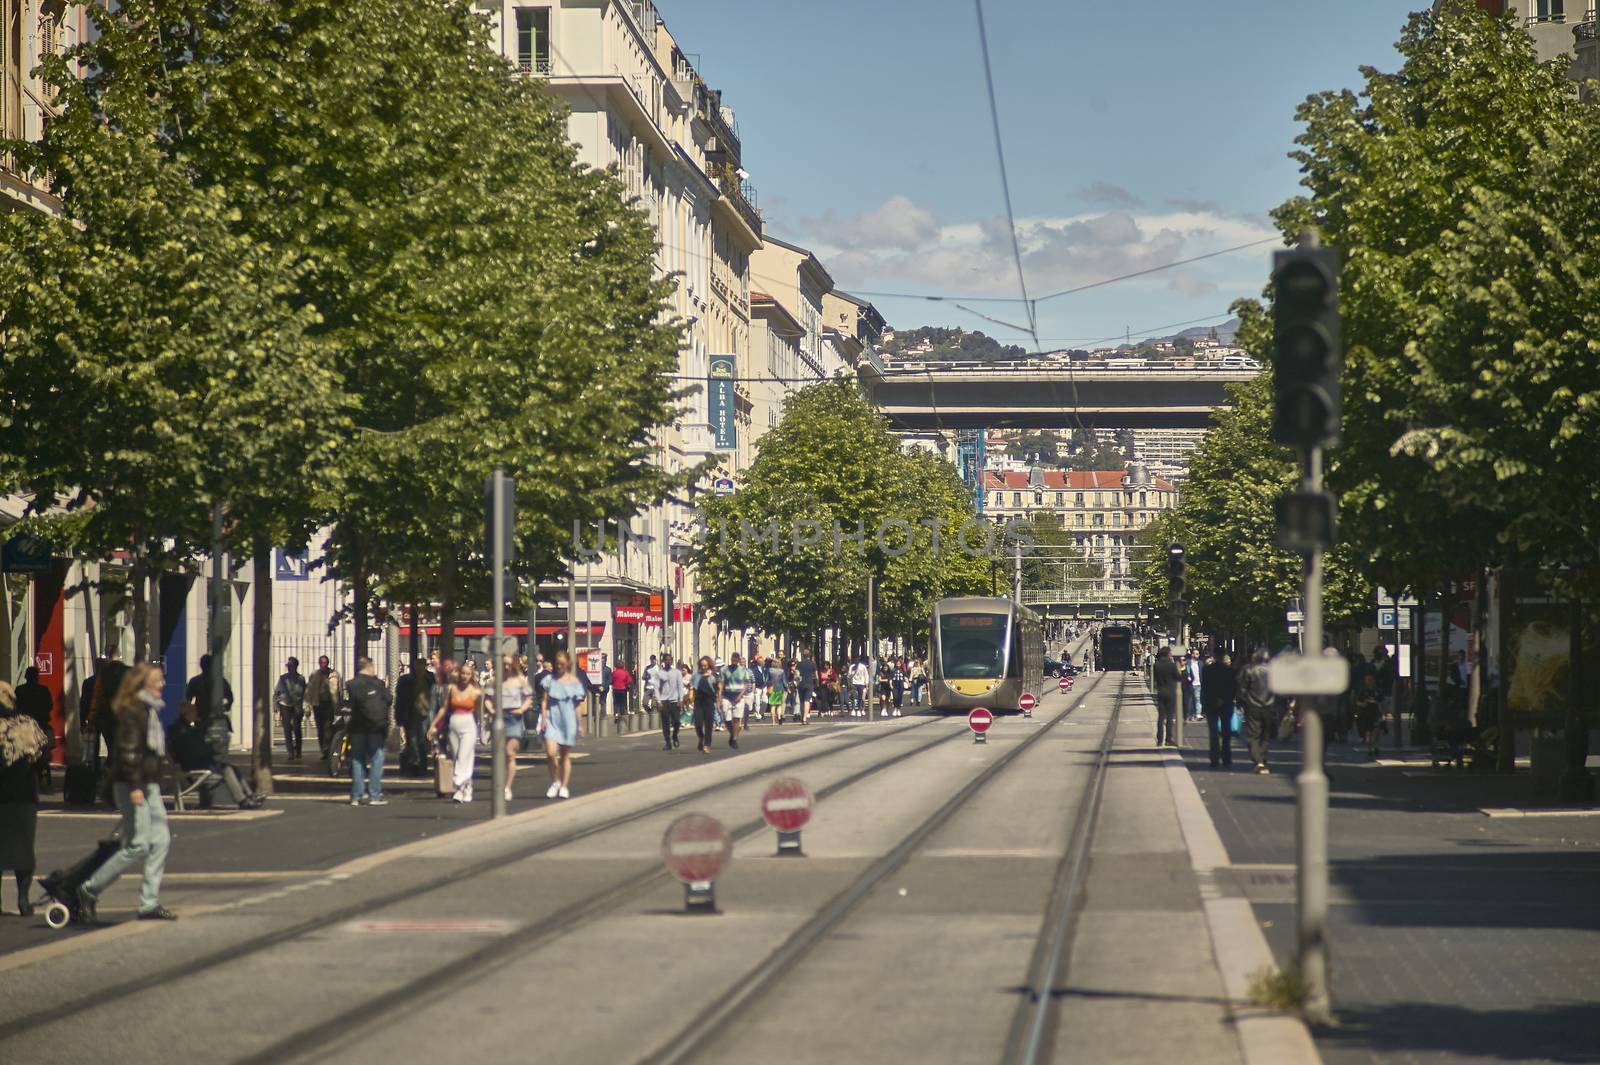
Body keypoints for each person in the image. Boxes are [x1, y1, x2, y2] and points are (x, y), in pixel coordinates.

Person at [79, 663, 177, 922]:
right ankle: (88, 890)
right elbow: (128, 752)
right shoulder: (133, 712)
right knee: (138, 845)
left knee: (161, 841)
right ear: (142, 685)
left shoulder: (149, 711)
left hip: (149, 785)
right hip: (133, 785)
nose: (162, 685)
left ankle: (149, 903)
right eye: (157, 681)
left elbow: (151, 751)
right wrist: (135, 787)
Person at [1, 681, 50, 916]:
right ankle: (23, 899)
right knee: (23, 850)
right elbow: (43, 754)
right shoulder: (28, 725)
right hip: (24, 796)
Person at [166, 700, 264, 808]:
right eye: (194, 711)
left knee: (230, 767)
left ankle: (249, 796)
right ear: (187, 713)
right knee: (226, 768)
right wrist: (209, 750)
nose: (196, 714)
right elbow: (191, 751)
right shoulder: (181, 730)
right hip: (191, 765)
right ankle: (242, 800)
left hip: (195, 762)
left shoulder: (187, 728)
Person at [429, 663, 481, 803]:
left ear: (471, 676)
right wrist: (433, 724)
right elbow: (444, 708)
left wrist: (482, 730)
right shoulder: (452, 689)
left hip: (469, 724)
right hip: (454, 724)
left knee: (463, 756)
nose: (464, 676)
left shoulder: (475, 692)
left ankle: (458, 785)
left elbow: (479, 712)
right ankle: (466, 787)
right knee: (458, 755)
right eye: (462, 673)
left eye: (467, 674)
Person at [537, 650, 586, 798]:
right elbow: (544, 700)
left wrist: (580, 724)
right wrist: (544, 718)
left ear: (568, 664)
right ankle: (555, 782)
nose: (559, 666)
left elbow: (577, 705)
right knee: (551, 754)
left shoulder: (574, 682)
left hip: (568, 719)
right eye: (557, 664)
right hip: (552, 718)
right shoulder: (549, 680)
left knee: (565, 755)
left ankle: (564, 786)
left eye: (562, 664)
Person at [345, 656, 392, 807]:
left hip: (358, 727)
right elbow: (389, 700)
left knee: (357, 760)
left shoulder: (351, 684)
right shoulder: (378, 684)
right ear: (370, 667)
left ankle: (356, 796)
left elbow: (349, 704)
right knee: (377, 759)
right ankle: (374, 795)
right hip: (375, 728)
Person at [498, 655, 533, 801]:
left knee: (510, 753)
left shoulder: (519, 680)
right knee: (500, 755)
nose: (506, 667)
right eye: (504, 664)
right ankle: (500, 785)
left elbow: (529, 697)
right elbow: (488, 698)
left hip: (514, 718)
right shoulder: (498, 680)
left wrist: (521, 709)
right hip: (500, 718)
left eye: (508, 664)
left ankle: (507, 787)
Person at [1238, 649, 1275, 774]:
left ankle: (1259, 761)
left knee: (1253, 735)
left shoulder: (1249, 670)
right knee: (1266, 735)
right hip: (1269, 706)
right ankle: (1261, 758)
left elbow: (1242, 688)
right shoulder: (1273, 671)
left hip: (1253, 706)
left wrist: (1241, 702)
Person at [1201, 649, 1238, 768]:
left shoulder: (1207, 670)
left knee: (1213, 733)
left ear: (1215, 656)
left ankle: (1214, 758)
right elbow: (1233, 688)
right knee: (1226, 733)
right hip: (1226, 704)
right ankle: (1226, 758)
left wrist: (1206, 702)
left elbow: (1205, 687)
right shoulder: (1230, 670)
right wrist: (1227, 699)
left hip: (1211, 704)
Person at [395, 659, 432, 775]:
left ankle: (421, 766)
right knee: (412, 741)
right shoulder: (405, 680)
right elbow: (400, 699)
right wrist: (399, 718)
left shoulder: (431, 679)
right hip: (410, 715)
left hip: (425, 715)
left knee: (423, 742)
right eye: (417, 666)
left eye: (422, 666)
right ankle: (412, 766)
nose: (419, 668)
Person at [305, 655, 345, 755]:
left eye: (325, 662)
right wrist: (307, 706)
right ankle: (323, 749)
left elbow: (340, 690)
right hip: (317, 704)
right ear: (319, 663)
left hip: (330, 704)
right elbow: (309, 691)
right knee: (320, 728)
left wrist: (339, 704)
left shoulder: (335, 675)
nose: (323, 665)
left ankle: (328, 749)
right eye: (321, 663)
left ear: (328, 663)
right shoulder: (314, 675)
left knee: (328, 727)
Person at [273, 658, 308, 762]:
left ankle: (298, 750)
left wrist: (306, 707)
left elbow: (305, 694)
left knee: (297, 729)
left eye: (291, 666)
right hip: (285, 704)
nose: (289, 668)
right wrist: (275, 705)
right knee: (287, 729)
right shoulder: (283, 678)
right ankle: (290, 752)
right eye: (288, 666)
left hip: (297, 705)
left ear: (296, 666)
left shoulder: (301, 679)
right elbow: (277, 692)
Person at [1152, 646, 1181, 747]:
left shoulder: (1156, 665)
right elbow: (1178, 677)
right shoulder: (1171, 665)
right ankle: (1168, 739)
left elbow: (1155, 678)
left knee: (1161, 717)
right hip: (1170, 692)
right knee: (1169, 717)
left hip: (1161, 692)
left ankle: (1159, 740)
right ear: (1168, 654)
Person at [719, 653, 749, 749]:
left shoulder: (743, 670)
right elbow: (721, 683)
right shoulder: (724, 670)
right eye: (734, 660)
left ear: (739, 660)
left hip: (738, 697)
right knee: (726, 718)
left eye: (737, 660)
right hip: (727, 695)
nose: (735, 662)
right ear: (731, 659)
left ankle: (734, 739)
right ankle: (733, 733)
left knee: (736, 718)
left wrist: (740, 695)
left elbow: (746, 684)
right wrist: (719, 695)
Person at [654, 651, 684, 750]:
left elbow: (680, 686)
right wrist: (658, 701)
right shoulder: (659, 674)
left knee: (677, 721)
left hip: (674, 701)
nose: (668, 662)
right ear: (663, 661)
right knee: (665, 723)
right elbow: (656, 688)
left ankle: (675, 735)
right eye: (666, 660)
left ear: (672, 661)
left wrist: (681, 699)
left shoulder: (677, 673)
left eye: (670, 660)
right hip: (664, 701)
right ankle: (668, 742)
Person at [16, 666, 53, 743]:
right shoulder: (43, 690)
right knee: (42, 746)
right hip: (41, 723)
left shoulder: (20, 690)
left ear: (26, 676)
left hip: (25, 724)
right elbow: (49, 705)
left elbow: (15, 706)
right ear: (37, 677)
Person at [796, 648, 818, 725]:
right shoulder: (813, 663)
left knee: (802, 701)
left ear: (803, 655)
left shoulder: (799, 663)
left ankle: (802, 717)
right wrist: (817, 683)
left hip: (801, 684)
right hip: (809, 683)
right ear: (810, 655)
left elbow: (797, 675)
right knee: (807, 701)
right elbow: (816, 675)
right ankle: (805, 718)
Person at [610, 659, 633, 725]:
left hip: (615, 689)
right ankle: (622, 717)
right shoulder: (625, 672)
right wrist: (627, 686)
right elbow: (629, 681)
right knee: (622, 703)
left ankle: (616, 715)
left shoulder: (614, 673)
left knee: (616, 703)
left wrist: (613, 683)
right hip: (623, 689)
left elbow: (611, 681)